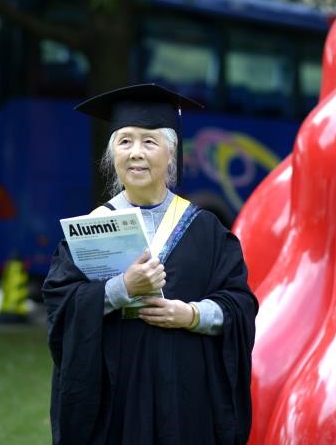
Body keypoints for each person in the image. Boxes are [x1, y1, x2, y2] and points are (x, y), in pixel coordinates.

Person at [42, 83, 258, 444]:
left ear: (170, 156)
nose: (136, 153)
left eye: (149, 141)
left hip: (186, 400)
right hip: (115, 402)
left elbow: (241, 306)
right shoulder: (90, 229)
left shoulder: (206, 230)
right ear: (112, 155)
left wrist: (190, 315)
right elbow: (60, 307)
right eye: (124, 141)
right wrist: (121, 289)